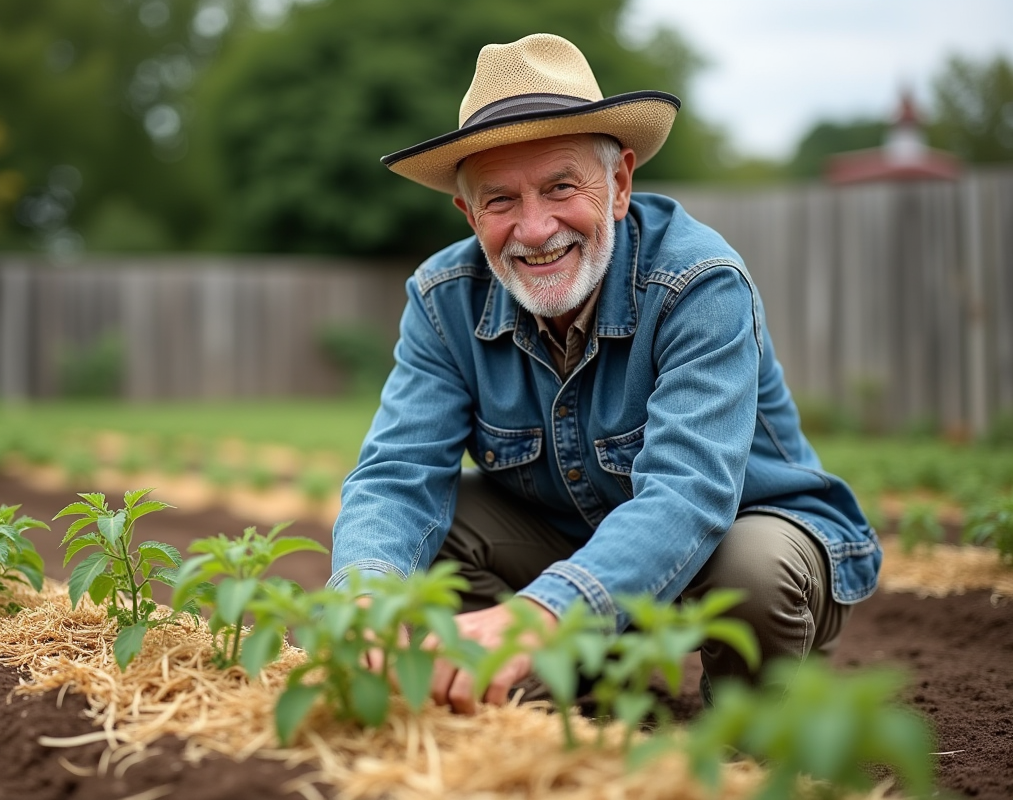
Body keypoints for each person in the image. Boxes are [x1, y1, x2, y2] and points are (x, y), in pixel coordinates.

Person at [329, 33, 881, 713]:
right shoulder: (443, 300)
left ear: (619, 183)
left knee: (754, 569)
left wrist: (544, 612)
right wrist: (364, 602)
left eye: (561, 187)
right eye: (500, 201)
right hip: (573, 547)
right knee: (432, 531)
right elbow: (397, 474)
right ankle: (572, 693)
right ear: (468, 215)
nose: (534, 229)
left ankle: (747, 731)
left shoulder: (697, 284)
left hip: (740, 536)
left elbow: (689, 493)